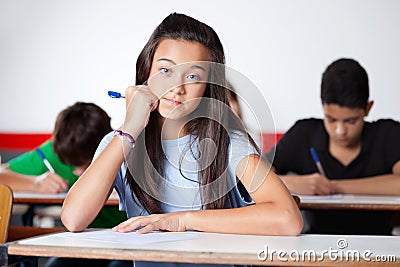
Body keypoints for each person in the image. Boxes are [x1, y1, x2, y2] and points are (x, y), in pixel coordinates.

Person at [61, 13, 302, 267]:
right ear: (147, 70)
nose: (177, 87)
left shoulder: (228, 142)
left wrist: (181, 220)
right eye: (165, 70)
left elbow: (288, 218)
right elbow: (74, 218)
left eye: (193, 77)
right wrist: (130, 129)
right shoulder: (120, 141)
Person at [265, 58, 400, 235]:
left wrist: (334, 187)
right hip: (314, 246)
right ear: (323, 107)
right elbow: (254, 177)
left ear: (368, 108)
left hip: (379, 245)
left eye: (351, 121)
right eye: (331, 119)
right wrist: (293, 183)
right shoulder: (304, 134)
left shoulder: (387, 134)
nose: (340, 131)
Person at [0, 102, 130, 267]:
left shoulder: (120, 149)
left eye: (83, 164)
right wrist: (35, 183)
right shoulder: (55, 150)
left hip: (126, 240)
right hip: (83, 240)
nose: (76, 172)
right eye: (69, 163)